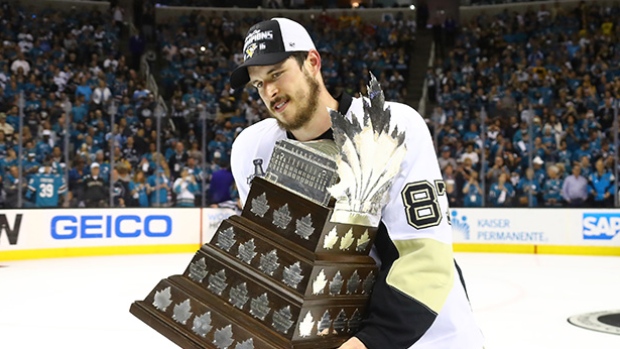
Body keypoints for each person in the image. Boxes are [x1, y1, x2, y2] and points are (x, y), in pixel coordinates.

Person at [229, 17, 483, 349]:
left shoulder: (390, 127)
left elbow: (424, 257)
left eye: (276, 74)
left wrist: (363, 343)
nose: (270, 91)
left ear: (312, 62)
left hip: (429, 337)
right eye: (259, 84)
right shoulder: (251, 150)